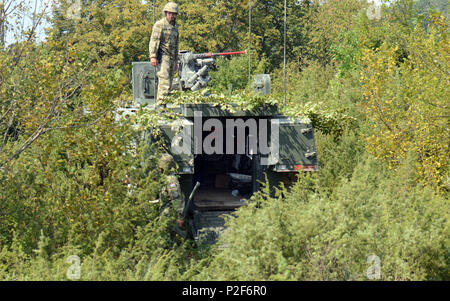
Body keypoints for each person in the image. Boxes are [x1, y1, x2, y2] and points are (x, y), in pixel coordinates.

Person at [149, 2, 179, 105]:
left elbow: (176, 44)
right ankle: (161, 105)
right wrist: (153, 56)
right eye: (169, 13)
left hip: (172, 57)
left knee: (170, 83)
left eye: (173, 13)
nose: (171, 16)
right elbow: (154, 40)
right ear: (165, 13)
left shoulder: (175, 27)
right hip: (163, 56)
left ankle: (165, 104)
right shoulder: (160, 24)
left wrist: (176, 61)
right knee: (164, 82)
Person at [158, 153, 186, 236]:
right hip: (165, 212)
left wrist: (180, 217)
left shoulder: (171, 180)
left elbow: (177, 199)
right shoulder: (165, 178)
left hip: (168, 214)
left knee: (164, 236)